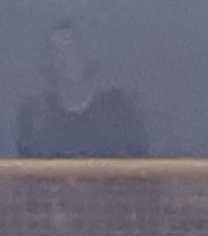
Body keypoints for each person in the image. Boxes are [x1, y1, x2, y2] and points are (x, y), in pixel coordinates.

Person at [17, 21, 145, 159]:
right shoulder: (37, 118)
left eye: (73, 49)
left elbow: (139, 161)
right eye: (58, 52)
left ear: (88, 55)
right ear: (49, 63)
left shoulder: (117, 109)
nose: (67, 59)